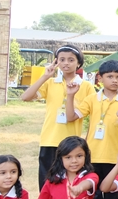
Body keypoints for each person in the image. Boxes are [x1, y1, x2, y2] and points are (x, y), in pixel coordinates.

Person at [66, 59, 118, 199]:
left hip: (114, 155)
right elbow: (71, 116)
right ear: (100, 78)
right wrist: (70, 96)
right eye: (110, 76)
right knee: (92, 191)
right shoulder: (92, 99)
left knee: (112, 192)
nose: (114, 80)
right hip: (92, 154)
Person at [20, 45, 95, 190]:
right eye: (62, 59)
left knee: (69, 183)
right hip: (49, 140)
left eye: (71, 60)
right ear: (56, 62)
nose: (66, 63)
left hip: (72, 143)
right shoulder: (50, 83)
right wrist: (45, 76)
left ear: (78, 63)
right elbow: (25, 97)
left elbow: (93, 116)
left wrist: (87, 139)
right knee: (46, 182)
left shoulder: (86, 86)